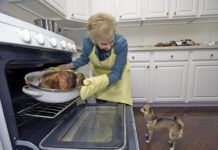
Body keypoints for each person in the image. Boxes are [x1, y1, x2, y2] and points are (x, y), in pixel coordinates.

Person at [59, 12, 132, 105]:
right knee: (101, 106)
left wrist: (98, 82)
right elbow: (84, 59)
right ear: (93, 41)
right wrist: (69, 65)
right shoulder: (87, 41)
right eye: (104, 44)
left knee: (121, 107)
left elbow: (116, 72)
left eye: (111, 41)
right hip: (99, 74)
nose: (109, 47)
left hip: (118, 77)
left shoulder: (121, 43)